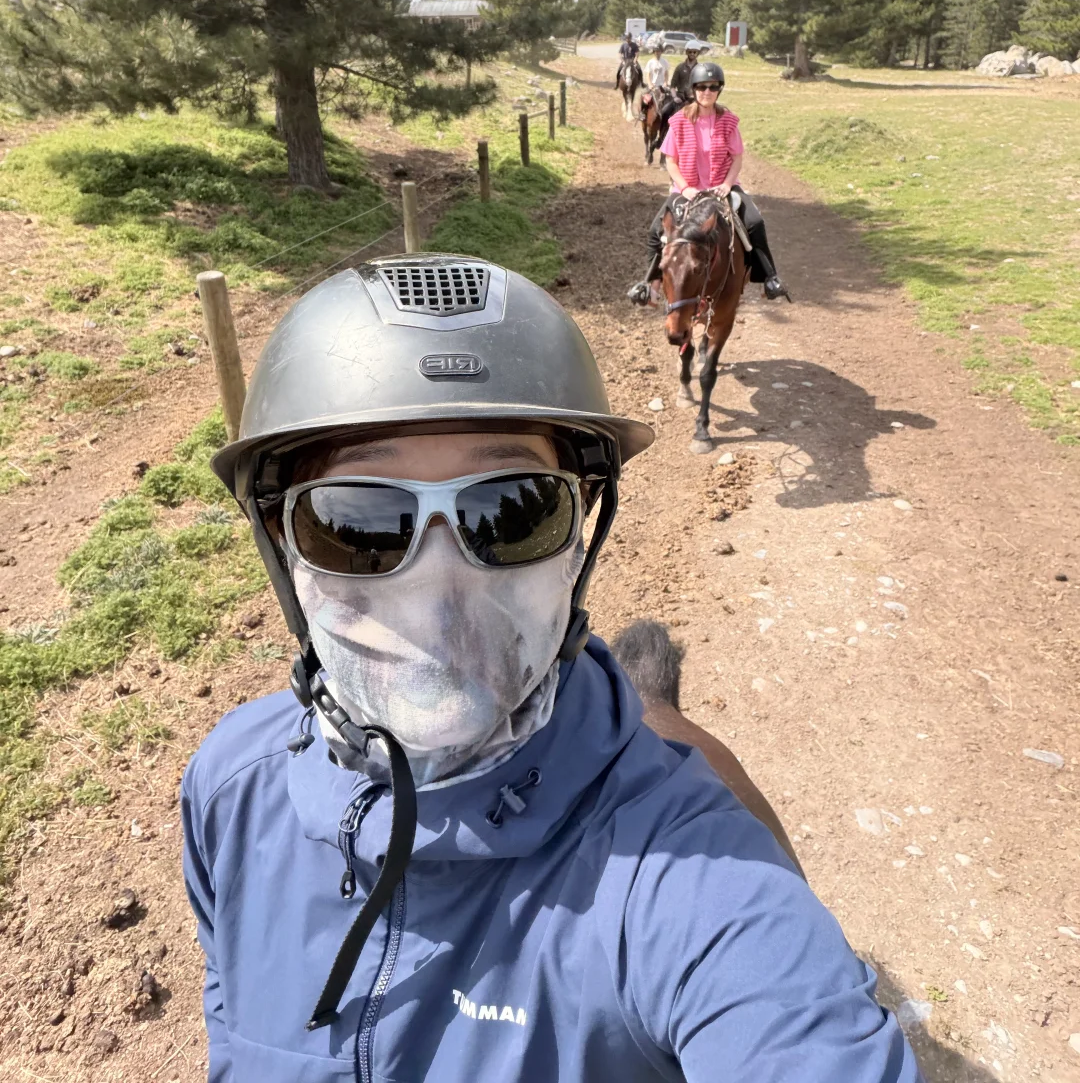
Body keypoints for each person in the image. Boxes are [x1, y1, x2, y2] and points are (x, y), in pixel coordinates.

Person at [182, 257, 917, 1081]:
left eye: (511, 510)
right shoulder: (225, 793)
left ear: (580, 537)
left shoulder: (693, 883)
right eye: (360, 521)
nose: (440, 588)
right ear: (281, 541)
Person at [627, 60, 791, 304]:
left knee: (755, 222)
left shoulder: (728, 121)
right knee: (655, 230)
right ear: (694, 89)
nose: (707, 92)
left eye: (713, 87)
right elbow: (671, 161)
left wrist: (727, 184)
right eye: (702, 87)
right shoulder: (679, 121)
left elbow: (736, 158)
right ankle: (650, 285)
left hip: (721, 186)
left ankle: (769, 278)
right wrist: (685, 188)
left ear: (719, 90)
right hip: (687, 189)